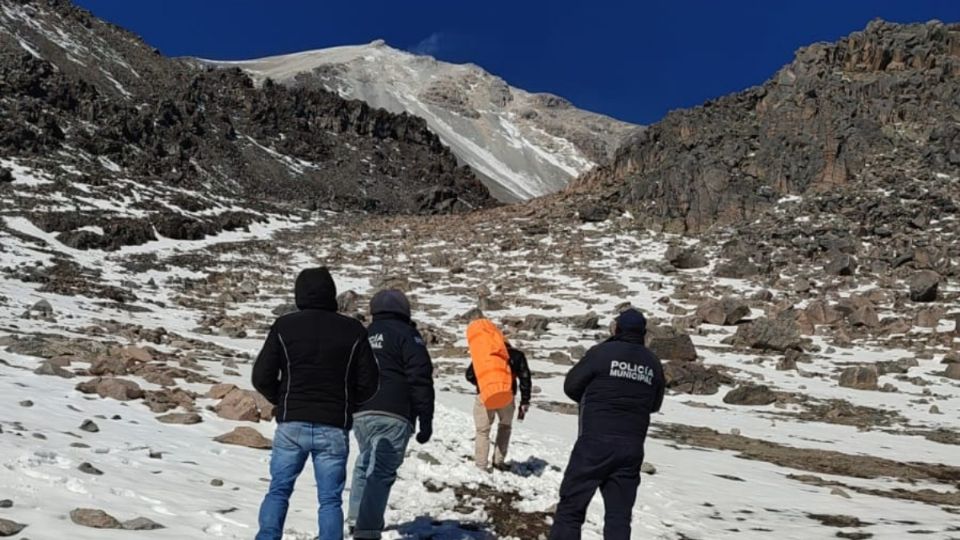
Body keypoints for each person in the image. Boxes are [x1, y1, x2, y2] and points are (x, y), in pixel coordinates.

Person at [252, 267, 380, 540]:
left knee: (278, 490)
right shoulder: (353, 330)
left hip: (292, 423)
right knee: (330, 501)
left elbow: (261, 376)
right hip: (333, 426)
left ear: (299, 293)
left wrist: (283, 400)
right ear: (331, 294)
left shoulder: (285, 325)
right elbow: (370, 383)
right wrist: (346, 405)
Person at [548, 308, 665, 540]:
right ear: (643, 333)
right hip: (631, 447)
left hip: (595, 442)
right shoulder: (652, 363)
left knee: (571, 509)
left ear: (617, 328)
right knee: (619, 517)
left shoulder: (602, 353)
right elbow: (655, 403)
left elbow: (571, 385)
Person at [348, 289, 435, 539]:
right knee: (382, 471)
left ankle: (356, 517)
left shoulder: (364, 334)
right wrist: (425, 420)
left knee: (365, 462)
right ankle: (366, 530)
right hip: (395, 411)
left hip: (362, 411)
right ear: (404, 310)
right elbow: (420, 378)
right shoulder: (408, 335)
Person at [465, 335, 532, 470]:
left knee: (483, 431)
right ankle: (498, 461)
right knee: (505, 427)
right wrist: (525, 400)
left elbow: (469, 375)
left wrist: (484, 385)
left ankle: (481, 465)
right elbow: (525, 379)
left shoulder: (485, 354)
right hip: (507, 395)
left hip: (485, 395)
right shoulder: (517, 355)